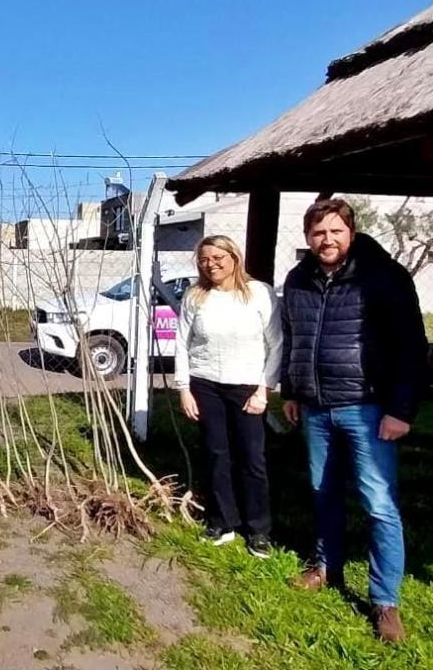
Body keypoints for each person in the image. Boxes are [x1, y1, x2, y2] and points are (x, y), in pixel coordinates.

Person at [281, 198, 426, 643]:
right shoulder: (298, 278)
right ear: (308, 237)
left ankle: (385, 601)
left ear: (351, 231)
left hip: (368, 407)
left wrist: (401, 410)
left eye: (335, 232)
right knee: (323, 492)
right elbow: (293, 338)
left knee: (379, 505)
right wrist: (291, 390)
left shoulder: (384, 277)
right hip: (316, 408)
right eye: (318, 233)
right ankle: (327, 567)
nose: (326, 240)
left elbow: (411, 347)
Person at [175, 234, 282, 559]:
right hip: (206, 384)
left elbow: (276, 344)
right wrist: (184, 389)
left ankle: (258, 529)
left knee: (251, 458)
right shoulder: (195, 296)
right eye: (205, 259)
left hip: (248, 386)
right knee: (216, 454)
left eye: (218, 257)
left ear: (234, 258)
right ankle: (222, 521)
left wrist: (265, 388)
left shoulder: (259, 294)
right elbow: (182, 343)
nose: (211, 264)